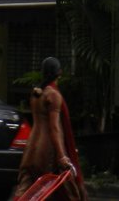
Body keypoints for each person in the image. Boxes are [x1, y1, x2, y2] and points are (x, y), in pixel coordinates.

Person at [15, 57, 86, 201]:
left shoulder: (36, 93)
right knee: (68, 190)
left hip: (31, 148)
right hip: (46, 150)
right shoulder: (53, 95)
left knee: (24, 191)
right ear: (59, 72)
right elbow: (54, 128)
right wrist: (62, 156)